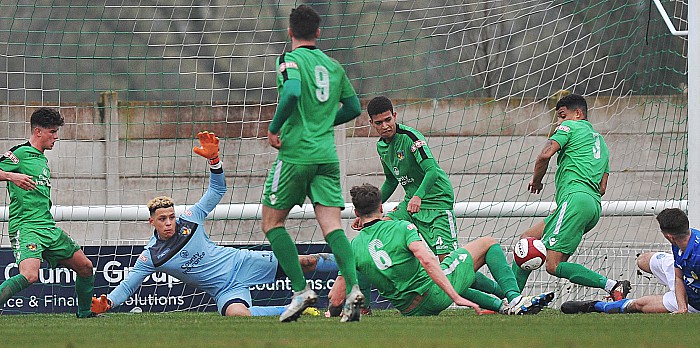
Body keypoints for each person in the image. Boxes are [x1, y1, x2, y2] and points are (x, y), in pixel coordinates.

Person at [90, 131, 338, 317]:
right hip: (224, 290)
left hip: (241, 263)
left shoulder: (191, 217)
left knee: (306, 262)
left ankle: (352, 264)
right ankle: (299, 309)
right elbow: (128, 285)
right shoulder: (152, 256)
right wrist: (108, 303)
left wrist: (215, 161)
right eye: (162, 219)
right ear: (151, 222)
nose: (169, 223)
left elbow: (218, 189)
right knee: (237, 316)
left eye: (171, 217)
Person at [261, 4, 364, 322]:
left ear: (290, 32)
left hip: (295, 155)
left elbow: (291, 92)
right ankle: (355, 289)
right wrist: (323, 122)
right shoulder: (333, 66)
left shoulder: (289, 59)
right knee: (332, 226)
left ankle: (300, 289)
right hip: (327, 156)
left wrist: (274, 126)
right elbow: (354, 107)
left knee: (272, 223)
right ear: (318, 32)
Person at [339, 183, 554, 316]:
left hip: (409, 311)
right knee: (487, 243)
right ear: (381, 207)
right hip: (432, 295)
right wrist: (454, 297)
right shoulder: (402, 227)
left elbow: (338, 292)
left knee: (454, 274)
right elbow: (427, 261)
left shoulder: (353, 247)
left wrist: (350, 309)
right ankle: (515, 299)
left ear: (356, 212)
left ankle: (504, 305)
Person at [511, 93, 631, 300]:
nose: (559, 122)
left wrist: (537, 181)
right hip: (592, 206)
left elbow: (544, 155)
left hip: (575, 201)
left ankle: (612, 286)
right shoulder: (600, 143)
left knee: (552, 264)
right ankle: (511, 299)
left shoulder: (568, 128)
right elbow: (602, 187)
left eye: (562, 115)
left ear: (578, 113)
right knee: (527, 240)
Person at [0, 107, 96, 318]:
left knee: (86, 267)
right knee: (30, 275)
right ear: (38, 132)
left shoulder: (42, 159)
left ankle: (85, 313)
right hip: (27, 227)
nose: (56, 136)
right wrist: (11, 176)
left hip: (47, 227)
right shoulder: (20, 154)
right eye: (52, 132)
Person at [561, 208, 700, 314]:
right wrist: (682, 308)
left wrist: (685, 306)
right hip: (684, 275)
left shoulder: (697, 256)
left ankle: (595, 305)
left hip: (694, 300)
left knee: (639, 305)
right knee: (643, 260)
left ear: (669, 237)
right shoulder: (683, 237)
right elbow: (677, 276)